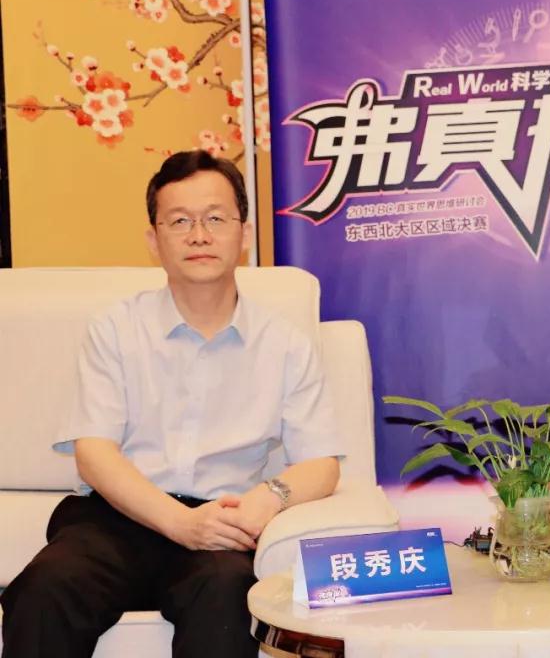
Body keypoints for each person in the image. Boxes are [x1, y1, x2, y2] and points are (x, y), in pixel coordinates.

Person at [0, 151, 343, 658]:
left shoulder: (285, 344)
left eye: (215, 219)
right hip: (117, 519)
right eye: (180, 221)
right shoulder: (116, 329)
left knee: (228, 594)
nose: (199, 235)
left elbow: (322, 464)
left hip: (220, 526)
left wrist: (266, 498)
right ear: (153, 239)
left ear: (244, 233)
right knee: (44, 588)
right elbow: (94, 454)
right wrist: (181, 524)